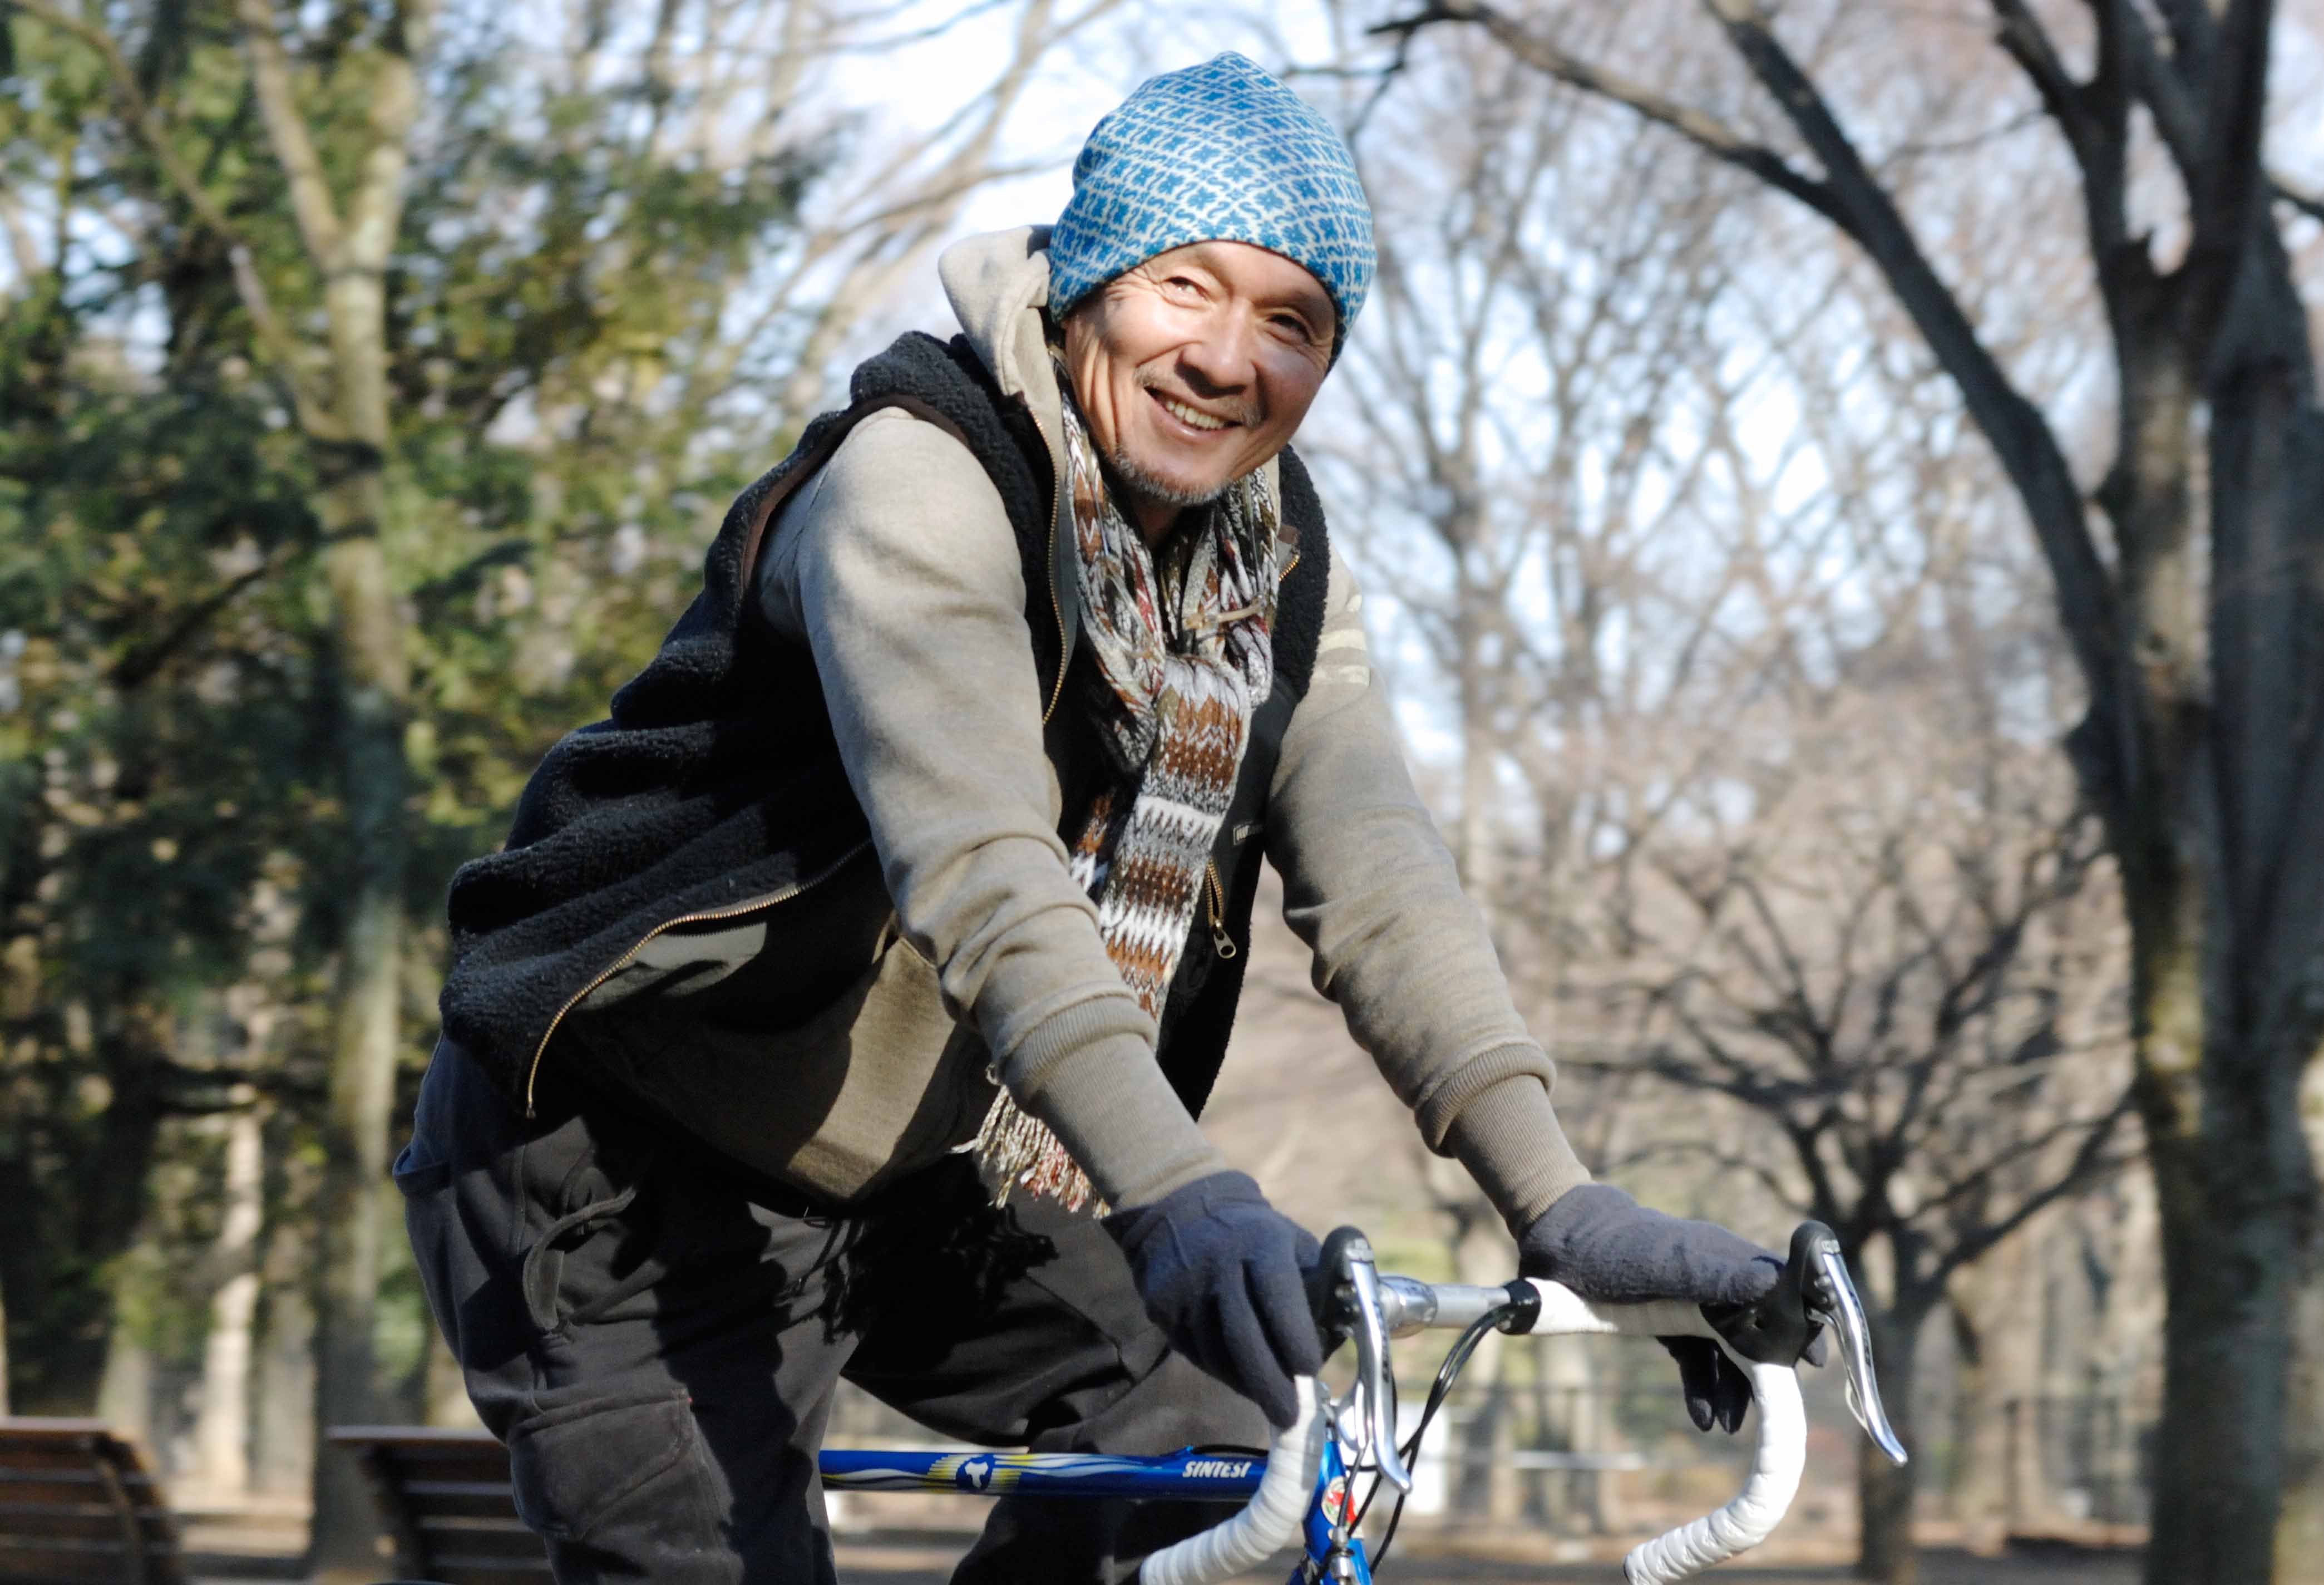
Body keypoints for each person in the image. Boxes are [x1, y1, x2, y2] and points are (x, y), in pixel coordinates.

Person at [401, 53, 1800, 1584]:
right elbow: (989, 879)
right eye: (1187, 288)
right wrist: (1181, 1196)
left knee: (1227, 1434)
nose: (1226, 359)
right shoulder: (918, 487)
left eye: (1293, 323)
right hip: (627, 1159)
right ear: (1087, 283)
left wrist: (1565, 1206)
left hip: (916, 1175)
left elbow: (1387, 889)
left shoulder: (1272, 561)